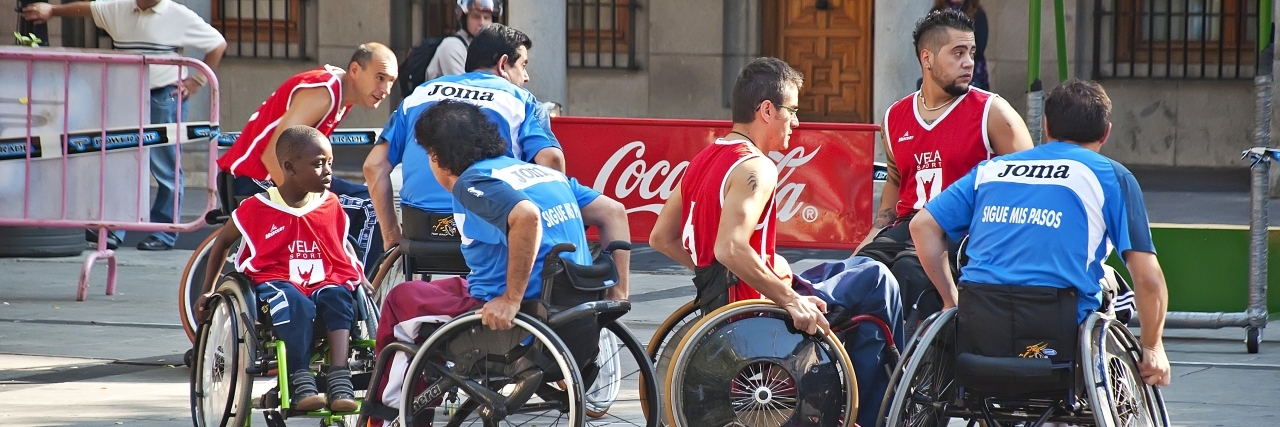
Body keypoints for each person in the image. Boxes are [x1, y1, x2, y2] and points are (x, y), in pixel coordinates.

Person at [649, 57, 902, 427]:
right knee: (878, 281)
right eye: (792, 111)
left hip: (734, 302)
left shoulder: (702, 161)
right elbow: (730, 247)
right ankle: (874, 413)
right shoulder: (756, 167)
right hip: (759, 317)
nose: (796, 123)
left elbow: (661, 237)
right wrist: (789, 300)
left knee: (855, 268)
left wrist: (715, 274)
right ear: (767, 110)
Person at [369, 99, 629, 426]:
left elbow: (526, 216)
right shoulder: (543, 175)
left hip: (516, 316)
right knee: (443, 291)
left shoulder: (473, 181)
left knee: (400, 300)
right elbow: (613, 212)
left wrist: (510, 300)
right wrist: (618, 293)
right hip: (570, 311)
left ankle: (390, 415)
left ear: (436, 156)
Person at [909, 79, 1172, 387]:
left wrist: (951, 299)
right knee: (1114, 286)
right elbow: (1148, 279)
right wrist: (1153, 347)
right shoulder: (1111, 176)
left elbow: (921, 225)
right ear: (1106, 133)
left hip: (981, 326)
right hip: (1058, 334)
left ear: (1046, 127)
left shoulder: (991, 170)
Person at [858, 8, 1032, 325]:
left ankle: (908, 354)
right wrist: (866, 243)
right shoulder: (894, 117)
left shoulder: (993, 112)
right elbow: (893, 192)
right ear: (927, 59)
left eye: (972, 53)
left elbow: (1031, 185)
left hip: (965, 231)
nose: (969, 62)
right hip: (908, 226)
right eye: (958, 53)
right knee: (861, 271)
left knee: (908, 271)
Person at [22, 0, 227, 251]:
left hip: (164, 95)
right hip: (127, 91)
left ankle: (164, 232)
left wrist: (197, 81)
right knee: (122, 160)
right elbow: (89, 8)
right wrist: (53, 11)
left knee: (165, 165)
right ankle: (115, 228)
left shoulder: (177, 14)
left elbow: (217, 43)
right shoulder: (119, 8)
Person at [196, 125, 367, 412]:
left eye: (330, 163)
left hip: (322, 278)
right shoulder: (255, 208)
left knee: (338, 295)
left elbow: (340, 245)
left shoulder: (331, 204)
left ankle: (340, 378)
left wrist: (358, 274)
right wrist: (208, 290)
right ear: (289, 167)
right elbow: (222, 242)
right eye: (318, 164)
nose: (328, 171)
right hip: (276, 279)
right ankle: (299, 379)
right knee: (294, 301)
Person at [365, 23, 564, 254]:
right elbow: (551, 160)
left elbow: (373, 166)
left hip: (420, 237)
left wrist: (391, 236)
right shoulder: (522, 100)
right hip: (489, 235)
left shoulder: (418, 95)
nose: (526, 77)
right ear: (503, 64)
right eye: (523, 65)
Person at [218, 43, 398, 267]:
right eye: (379, 77)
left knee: (366, 198)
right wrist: (309, 207)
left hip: (268, 176)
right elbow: (273, 155)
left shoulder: (339, 94)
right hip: (253, 179)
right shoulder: (324, 92)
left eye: (391, 81)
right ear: (354, 70)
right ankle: (357, 281)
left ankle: (341, 270)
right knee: (371, 206)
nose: (385, 89)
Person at [425, 0, 503, 81]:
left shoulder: (488, 49)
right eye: (476, 17)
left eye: (486, 17)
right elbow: (463, 84)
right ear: (464, 19)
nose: (482, 23)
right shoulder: (452, 46)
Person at [931, 0, 988, 90]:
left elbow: (980, 48)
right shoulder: (935, 13)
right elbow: (930, 45)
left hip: (972, 73)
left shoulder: (977, 14)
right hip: (943, 72)